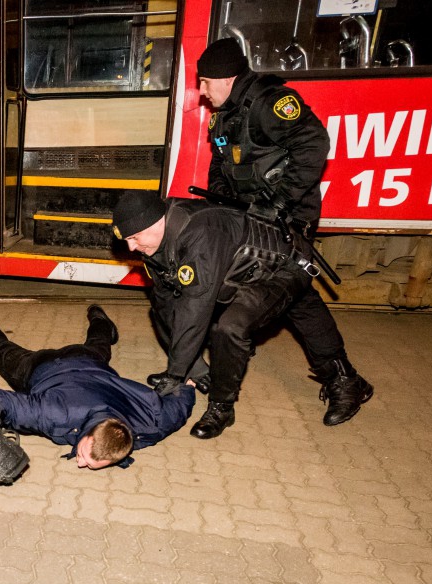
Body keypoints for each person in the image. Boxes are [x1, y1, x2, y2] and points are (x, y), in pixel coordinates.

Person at [145, 37, 373, 429]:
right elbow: (220, 168)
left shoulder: (271, 103)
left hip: (286, 220)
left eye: (205, 82)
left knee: (293, 293)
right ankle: (341, 377)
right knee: (285, 294)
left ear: (227, 77)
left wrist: (281, 203)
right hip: (248, 219)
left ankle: (345, 381)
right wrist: (217, 210)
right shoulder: (223, 115)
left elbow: (314, 144)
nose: (201, 90)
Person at [115, 190, 351, 439]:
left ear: (156, 222)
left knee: (230, 327)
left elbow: (195, 307)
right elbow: (166, 303)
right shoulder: (155, 242)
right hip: (244, 271)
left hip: (283, 267)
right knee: (163, 311)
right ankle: (346, 380)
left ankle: (222, 408)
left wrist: (175, 373)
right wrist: (190, 369)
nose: (131, 247)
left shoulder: (200, 232)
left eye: (134, 237)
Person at [0, 303, 195, 469]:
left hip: (89, 359)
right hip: (43, 366)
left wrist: (188, 389)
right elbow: (8, 402)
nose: (81, 463)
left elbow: (176, 411)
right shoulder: (58, 413)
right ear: (92, 434)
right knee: (3, 352)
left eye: (90, 463)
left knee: (99, 345)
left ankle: (99, 318)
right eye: (84, 454)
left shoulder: (151, 427)